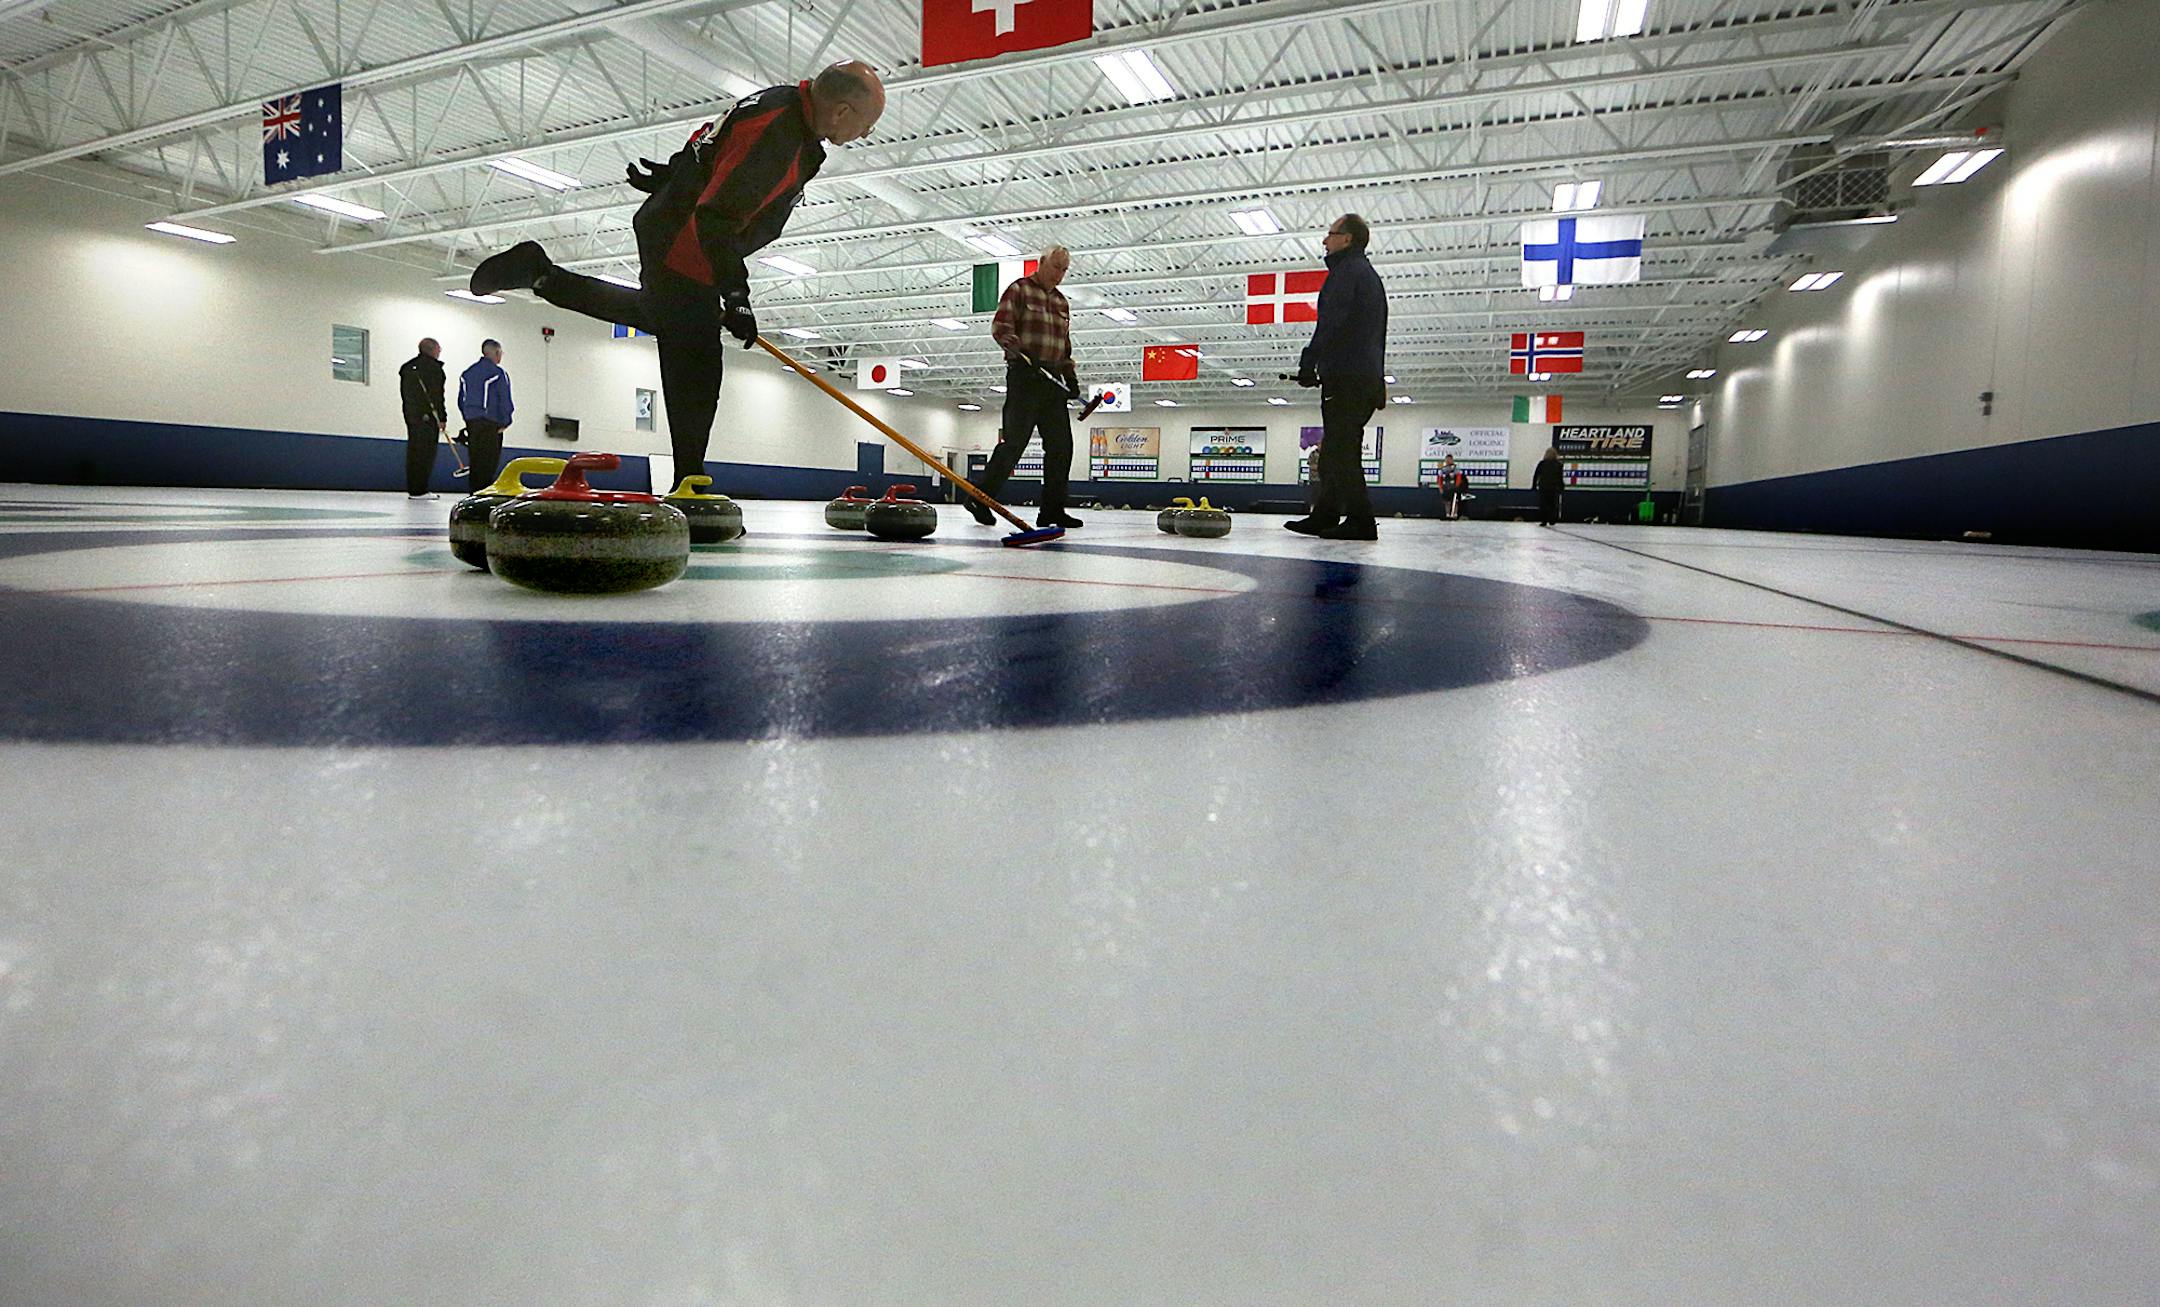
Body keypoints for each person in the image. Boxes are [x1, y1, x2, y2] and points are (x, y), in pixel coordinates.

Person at [464, 62, 885, 489]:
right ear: (841, 111)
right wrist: (736, 296)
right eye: (865, 126)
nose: (862, 135)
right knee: (696, 358)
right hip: (687, 245)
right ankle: (691, 484)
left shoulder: (783, 108)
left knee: (667, 321)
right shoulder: (780, 135)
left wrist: (677, 174)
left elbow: (710, 140)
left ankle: (541, 275)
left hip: (678, 231)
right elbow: (717, 219)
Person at [1285, 214, 1388, 540]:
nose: (1324, 241)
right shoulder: (1364, 274)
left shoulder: (1348, 273)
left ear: (1348, 239)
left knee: (1343, 451)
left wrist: (1309, 361)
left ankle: (1362, 521)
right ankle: (1326, 514)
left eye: (1330, 234)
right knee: (1335, 451)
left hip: (1348, 377)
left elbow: (1332, 322)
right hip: (1360, 375)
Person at [968, 245, 1085, 530]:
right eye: (1056, 267)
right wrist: (1021, 352)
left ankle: (1052, 511)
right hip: (1025, 377)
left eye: (1065, 270)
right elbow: (1001, 327)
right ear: (1042, 263)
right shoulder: (1019, 289)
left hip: (1052, 381)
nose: (1060, 274)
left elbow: (1064, 345)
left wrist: (1070, 376)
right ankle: (979, 498)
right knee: (1014, 442)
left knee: (1061, 447)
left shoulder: (1061, 302)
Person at [457, 340, 513, 491]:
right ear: (496, 353)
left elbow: (461, 400)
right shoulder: (498, 373)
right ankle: (483, 496)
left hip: (472, 423)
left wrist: (468, 418)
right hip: (491, 423)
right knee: (488, 463)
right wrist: (506, 421)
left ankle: (473, 494)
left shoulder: (467, 374)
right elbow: (504, 398)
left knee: (475, 461)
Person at [397, 337, 449, 498]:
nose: (440, 351)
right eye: (439, 348)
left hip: (411, 416)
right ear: (432, 349)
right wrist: (442, 417)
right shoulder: (434, 369)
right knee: (425, 453)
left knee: (414, 451)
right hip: (428, 418)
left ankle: (414, 488)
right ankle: (420, 489)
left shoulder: (407, 368)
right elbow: (437, 396)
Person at [1534, 446, 1565, 526]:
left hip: (1543, 486)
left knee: (1544, 504)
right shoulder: (1559, 464)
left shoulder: (1542, 463)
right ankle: (1552, 519)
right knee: (1553, 504)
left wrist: (1534, 486)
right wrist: (1562, 486)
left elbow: (1536, 475)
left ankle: (1544, 521)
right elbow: (1560, 477)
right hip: (1554, 487)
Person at [1436, 454, 1465, 521]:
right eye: (1446, 460)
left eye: (1449, 459)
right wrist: (1440, 487)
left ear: (1452, 460)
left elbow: (1459, 477)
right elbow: (1439, 479)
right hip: (1446, 487)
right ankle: (1447, 514)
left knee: (1455, 501)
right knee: (1447, 502)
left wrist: (1457, 486)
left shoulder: (1456, 468)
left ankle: (1455, 514)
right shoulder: (1442, 469)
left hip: (1454, 487)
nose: (1448, 461)